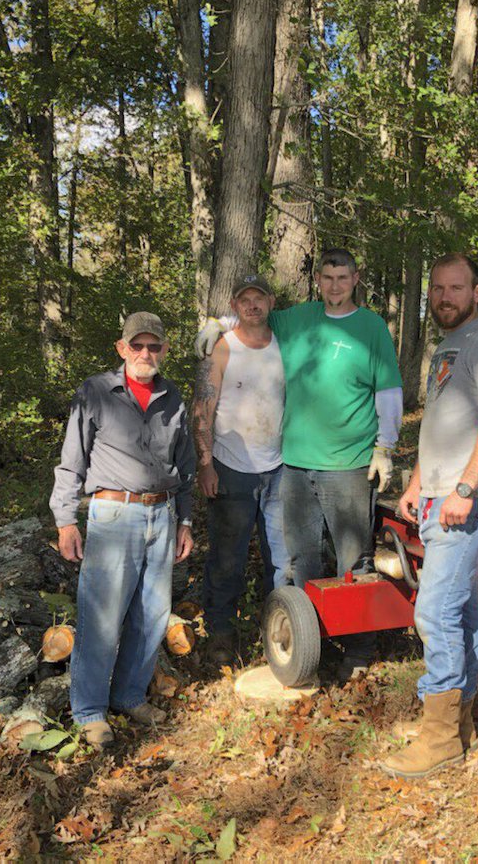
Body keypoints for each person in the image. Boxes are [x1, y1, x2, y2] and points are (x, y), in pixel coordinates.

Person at [197, 250, 403, 681]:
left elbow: (388, 392)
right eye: (327, 277)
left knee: (353, 559)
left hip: (348, 463)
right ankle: (313, 645)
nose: (334, 285)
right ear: (317, 279)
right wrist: (218, 322)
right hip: (294, 466)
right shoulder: (299, 319)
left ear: (355, 278)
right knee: (302, 560)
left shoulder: (371, 328)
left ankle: (359, 649)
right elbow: (252, 317)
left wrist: (385, 446)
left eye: (342, 277)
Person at [380, 253, 478, 779]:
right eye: (437, 288)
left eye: (456, 288)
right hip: (441, 495)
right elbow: (440, 422)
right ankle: (456, 723)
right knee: (457, 611)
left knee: (433, 611)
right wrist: (418, 483)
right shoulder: (449, 343)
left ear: (477, 292)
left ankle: (437, 737)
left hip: (470, 498)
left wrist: (464, 487)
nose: (444, 296)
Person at [50, 312, 196, 747]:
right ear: (122, 348)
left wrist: (185, 519)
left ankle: (130, 694)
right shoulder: (96, 391)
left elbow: (184, 467)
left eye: (154, 347)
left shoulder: (173, 397)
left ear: (165, 350)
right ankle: (90, 710)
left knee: (152, 615)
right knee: (102, 617)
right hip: (114, 516)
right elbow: (71, 459)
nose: (145, 354)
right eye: (138, 346)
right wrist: (64, 520)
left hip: (163, 515)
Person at [192, 274, 290, 666]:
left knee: (283, 559)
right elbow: (203, 408)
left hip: (281, 467)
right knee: (227, 557)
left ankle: (280, 632)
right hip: (231, 466)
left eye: (259, 299)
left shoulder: (286, 342)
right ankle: (220, 633)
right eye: (244, 300)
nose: (252, 306)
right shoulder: (221, 348)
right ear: (234, 305)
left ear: (270, 302)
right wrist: (205, 463)